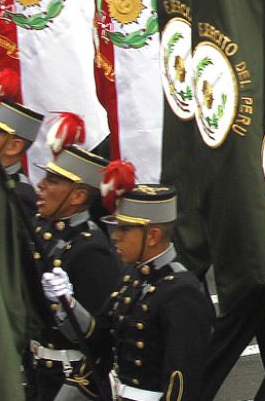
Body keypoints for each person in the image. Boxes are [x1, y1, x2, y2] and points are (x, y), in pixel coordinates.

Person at [47, 184, 212, 401]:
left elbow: (181, 382)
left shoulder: (182, 292)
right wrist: (67, 303)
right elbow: (98, 336)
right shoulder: (132, 277)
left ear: (152, 236)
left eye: (124, 229)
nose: (115, 236)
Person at [27, 142, 125, 401]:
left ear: (78, 196)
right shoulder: (41, 229)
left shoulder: (90, 250)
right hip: (37, 372)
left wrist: (66, 306)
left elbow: (101, 336)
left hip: (69, 377)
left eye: (53, 180)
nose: (41, 185)